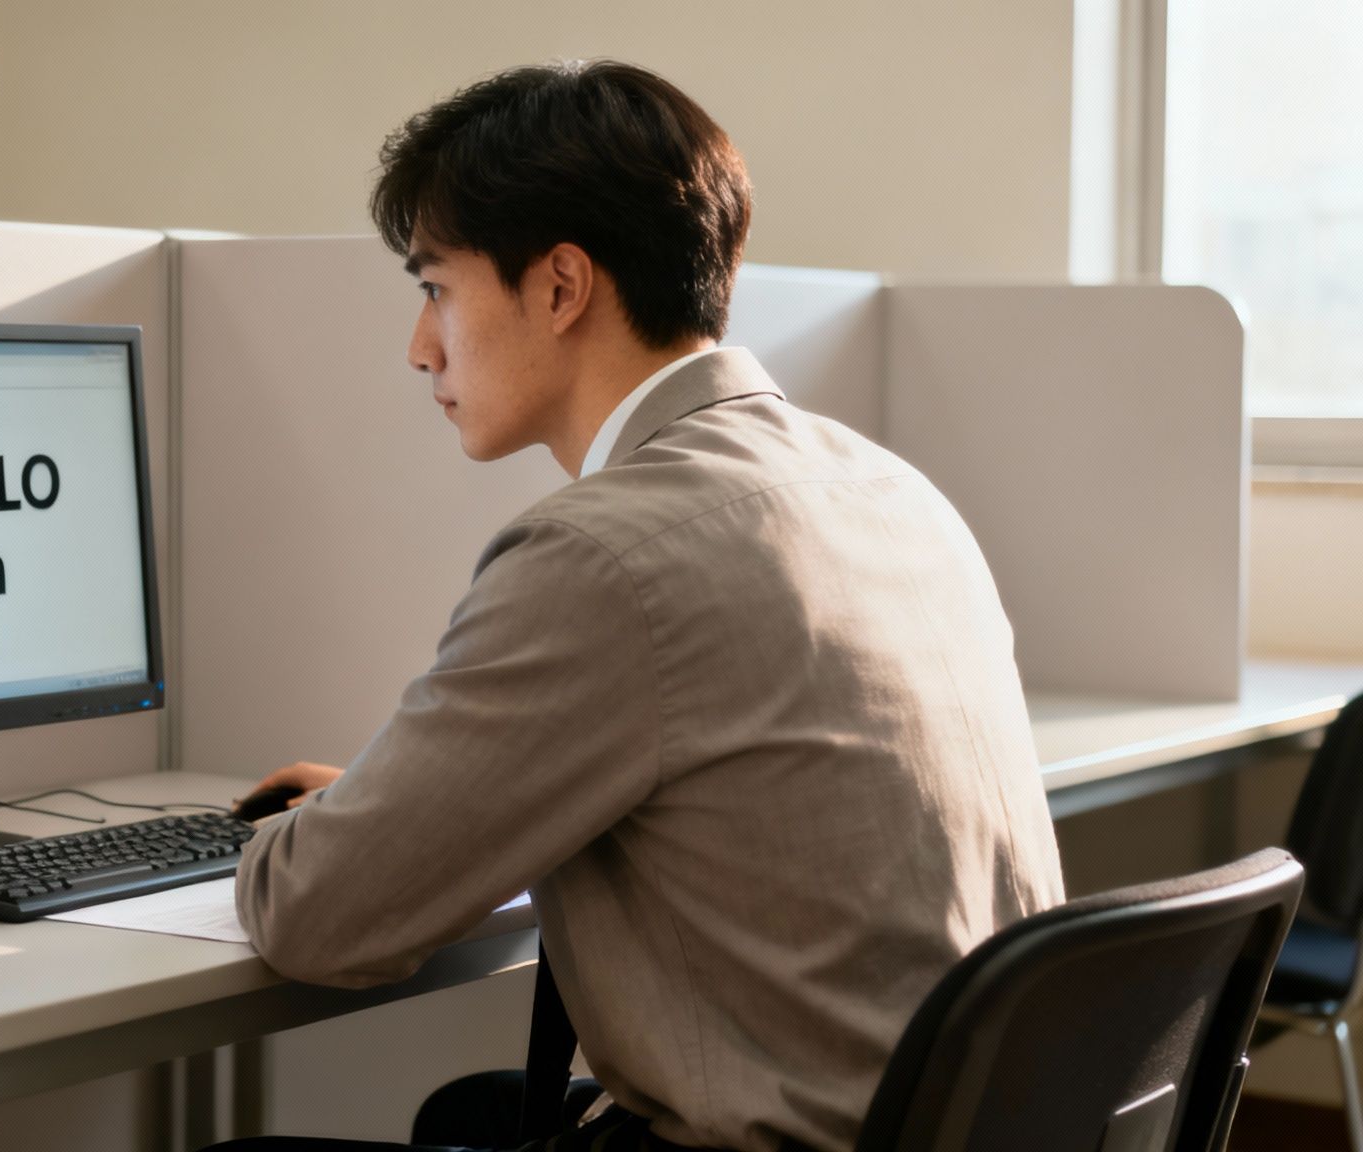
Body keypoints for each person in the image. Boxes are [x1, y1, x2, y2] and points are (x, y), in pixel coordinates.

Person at [207, 60, 1063, 1152]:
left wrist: (281, 839)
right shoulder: (889, 489)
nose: (419, 347)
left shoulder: (603, 554)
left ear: (561, 287)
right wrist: (398, 805)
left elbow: (316, 919)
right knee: (471, 1113)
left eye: (436, 289)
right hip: (962, 1122)